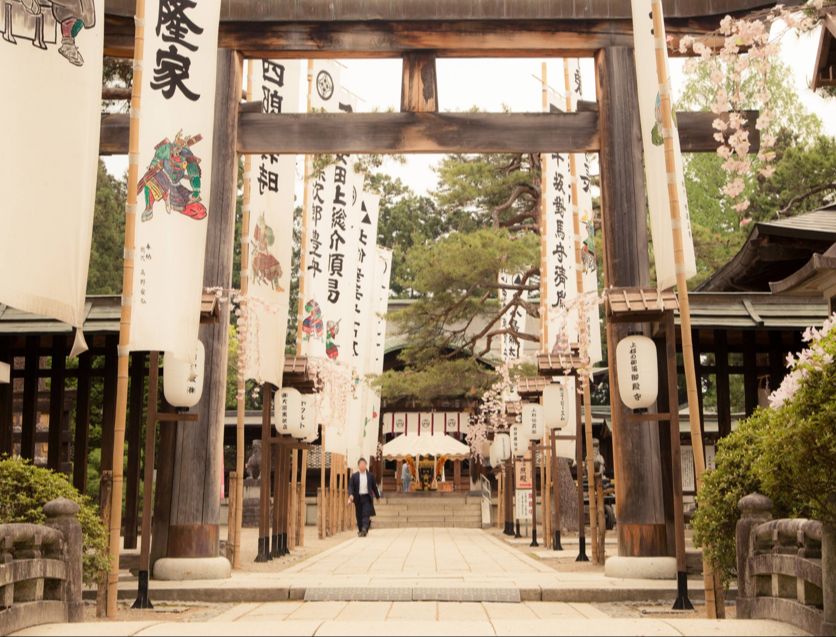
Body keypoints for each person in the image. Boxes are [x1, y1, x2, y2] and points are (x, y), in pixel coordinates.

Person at [347, 458, 381, 537]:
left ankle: (364, 528)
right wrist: (351, 495)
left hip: (367, 497)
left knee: (366, 513)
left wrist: (377, 497)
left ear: (366, 465)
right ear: (358, 466)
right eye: (360, 464)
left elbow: (374, 487)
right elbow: (351, 487)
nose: (362, 466)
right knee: (359, 515)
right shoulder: (354, 476)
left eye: (364, 464)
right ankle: (361, 530)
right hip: (358, 498)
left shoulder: (370, 476)